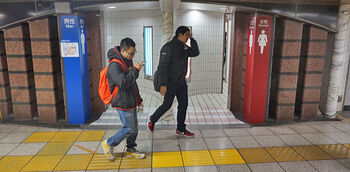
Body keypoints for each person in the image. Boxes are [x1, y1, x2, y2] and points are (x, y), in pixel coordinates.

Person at [147, 26, 200, 137]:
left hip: (181, 82)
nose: (187, 37)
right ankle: (152, 119)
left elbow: (195, 52)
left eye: (188, 35)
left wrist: (192, 39)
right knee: (167, 105)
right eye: (186, 35)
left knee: (183, 105)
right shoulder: (168, 47)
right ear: (180, 35)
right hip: (170, 82)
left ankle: (181, 128)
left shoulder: (184, 47)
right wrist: (163, 84)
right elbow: (162, 67)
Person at [101, 38, 145, 160]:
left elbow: (132, 83)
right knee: (129, 128)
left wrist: (138, 98)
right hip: (122, 102)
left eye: (134, 52)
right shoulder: (114, 65)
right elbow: (123, 83)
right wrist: (135, 70)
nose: (133, 55)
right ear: (123, 50)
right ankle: (108, 143)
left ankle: (130, 149)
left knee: (134, 128)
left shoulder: (127, 60)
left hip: (130, 100)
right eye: (131, 53)